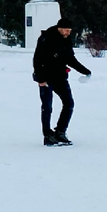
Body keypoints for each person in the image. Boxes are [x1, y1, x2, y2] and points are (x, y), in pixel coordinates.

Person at [33, 17, 92, 146]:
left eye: (69, 31)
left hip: (60, 77)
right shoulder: (46, 38)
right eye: (65, 30)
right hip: (46, 77)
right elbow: (37, 59)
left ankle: (60, 132)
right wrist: (40, 78)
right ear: (59, 28)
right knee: (47, 107)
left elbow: (70, 59)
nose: (67, 33)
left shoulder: (67, 40)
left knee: (69, 103)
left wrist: (85, 71)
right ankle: (48, 135)